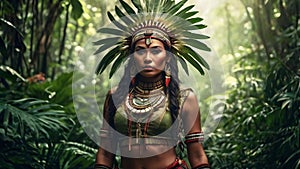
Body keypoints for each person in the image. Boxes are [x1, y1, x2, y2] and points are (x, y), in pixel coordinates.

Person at [94, 0, 211, 168]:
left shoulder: (185, 98)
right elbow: (105, 153)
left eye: (156, 50)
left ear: (168, 57)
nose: (148, 58)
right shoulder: (115, 96)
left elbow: (197, 153)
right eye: (140, 50)